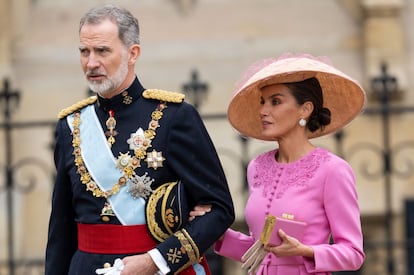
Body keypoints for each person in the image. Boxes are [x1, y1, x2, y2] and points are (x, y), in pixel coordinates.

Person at [45, 4, 235, 275]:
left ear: (132, 53)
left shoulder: (174, 117)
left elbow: (219, 210)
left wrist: (156, 261)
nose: (91, 63)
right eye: (84, 52)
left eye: (102, 51)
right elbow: (61, 228)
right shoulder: (71, 125)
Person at [214, 53, 366, 274]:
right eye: (262, 102)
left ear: (305, 109)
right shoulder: (256, 167)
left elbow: (353, 254)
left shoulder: (332, 170)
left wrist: (306, 251)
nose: (263, 111)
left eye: (275, 101)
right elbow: (261, 251)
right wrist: (218, 234)